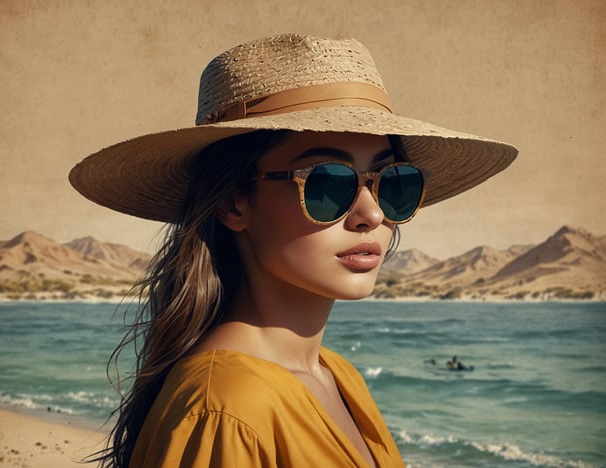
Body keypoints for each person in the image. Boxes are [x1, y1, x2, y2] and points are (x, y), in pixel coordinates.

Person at [70, 33, 517, 468]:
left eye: (392, 183)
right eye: (328, 182)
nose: (372, 215)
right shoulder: (225, 409)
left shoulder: (338, 376)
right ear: (234, 202)